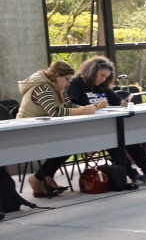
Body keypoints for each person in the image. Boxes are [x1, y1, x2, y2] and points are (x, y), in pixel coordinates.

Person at [66, 56, 146, 185]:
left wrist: (123, 103)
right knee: (114, 142)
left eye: (106, 77)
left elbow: (116, 101)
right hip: (88, 128)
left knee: (128, 138)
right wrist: (95, 106)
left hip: (108, 125)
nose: (103, 79)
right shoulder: (76, 83)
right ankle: (133, 174)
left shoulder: (102, 86)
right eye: (101, 75)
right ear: (92, 71)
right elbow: (71, 107)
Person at [16, 61, 106, 197]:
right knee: (68, 143)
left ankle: (44, 177)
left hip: (45, 128)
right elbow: (55, 111)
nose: (69, 82)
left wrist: (93, 107)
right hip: (27, 132)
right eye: (67, 79)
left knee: (71, 143)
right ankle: (38, 179)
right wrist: (84, 111)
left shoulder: (55, 86)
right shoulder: (42, 87)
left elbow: (69, 105)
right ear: (57, 75)